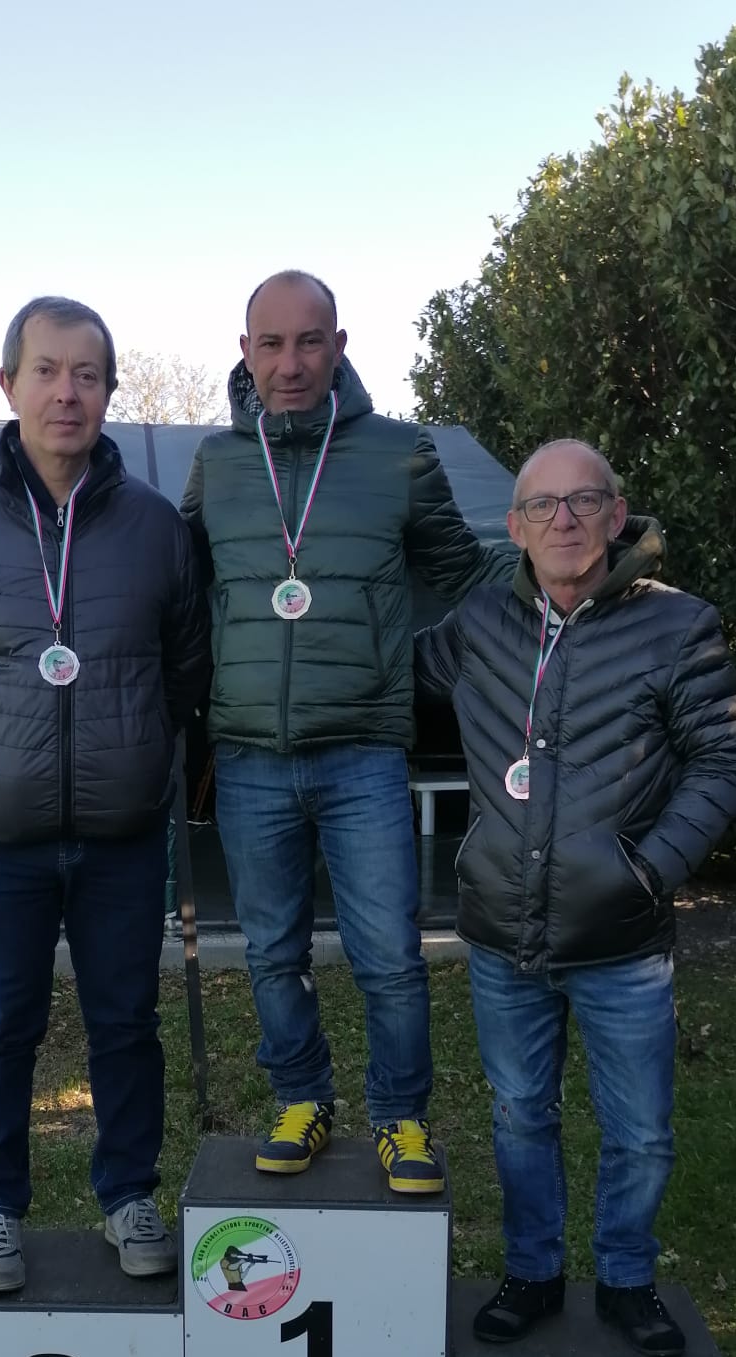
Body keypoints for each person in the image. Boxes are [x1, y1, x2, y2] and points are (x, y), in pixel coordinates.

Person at [0, 296, 211, 1295]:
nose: (67, 392)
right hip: (0, 835)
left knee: (126, 1022)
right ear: (9, 384)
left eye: (87, 374)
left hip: (120, 835)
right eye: (46, 370)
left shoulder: (155, 526)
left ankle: (128, 1193)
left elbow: (184, 668)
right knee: (1, 1023)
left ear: (109, 391)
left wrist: (139, 753)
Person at [415, 437, 736, 1355]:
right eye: (543, 505)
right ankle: (531, 1272)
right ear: (516, 526)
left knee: (639, 1132)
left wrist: (647, 870)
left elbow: (728, 757)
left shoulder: (677, 625)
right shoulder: (480, 621)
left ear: (616, 514)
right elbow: (389, 674)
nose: (562, 520)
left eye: (583, 501)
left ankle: (626, 1279)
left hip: (623, 938)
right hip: (503, 934)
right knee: (520, 1115)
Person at [181, 268, 512, 1193]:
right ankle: (302, 1098)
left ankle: (400, 1117)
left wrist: (579, 566)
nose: (290, 363)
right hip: (249, 757)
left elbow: (467, 572)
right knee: (272, 954)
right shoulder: (217, 465)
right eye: (271, 344)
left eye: (309, 341)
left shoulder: (400, 454)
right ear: (245, 352)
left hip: (365, 750)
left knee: (391, 958)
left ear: (340, 346)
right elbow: (171, 589)